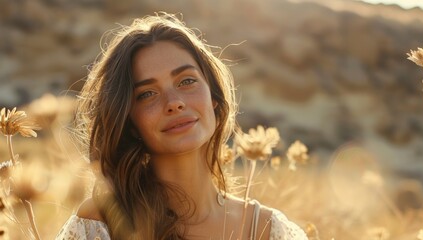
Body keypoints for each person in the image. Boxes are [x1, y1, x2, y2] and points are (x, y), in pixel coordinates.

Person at [56, 12, 308, 240]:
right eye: (147, 94)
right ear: (130, 123)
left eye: (186, 81)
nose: (174, 103)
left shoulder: (268, 229)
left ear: (214, 99)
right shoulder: (101, 225)